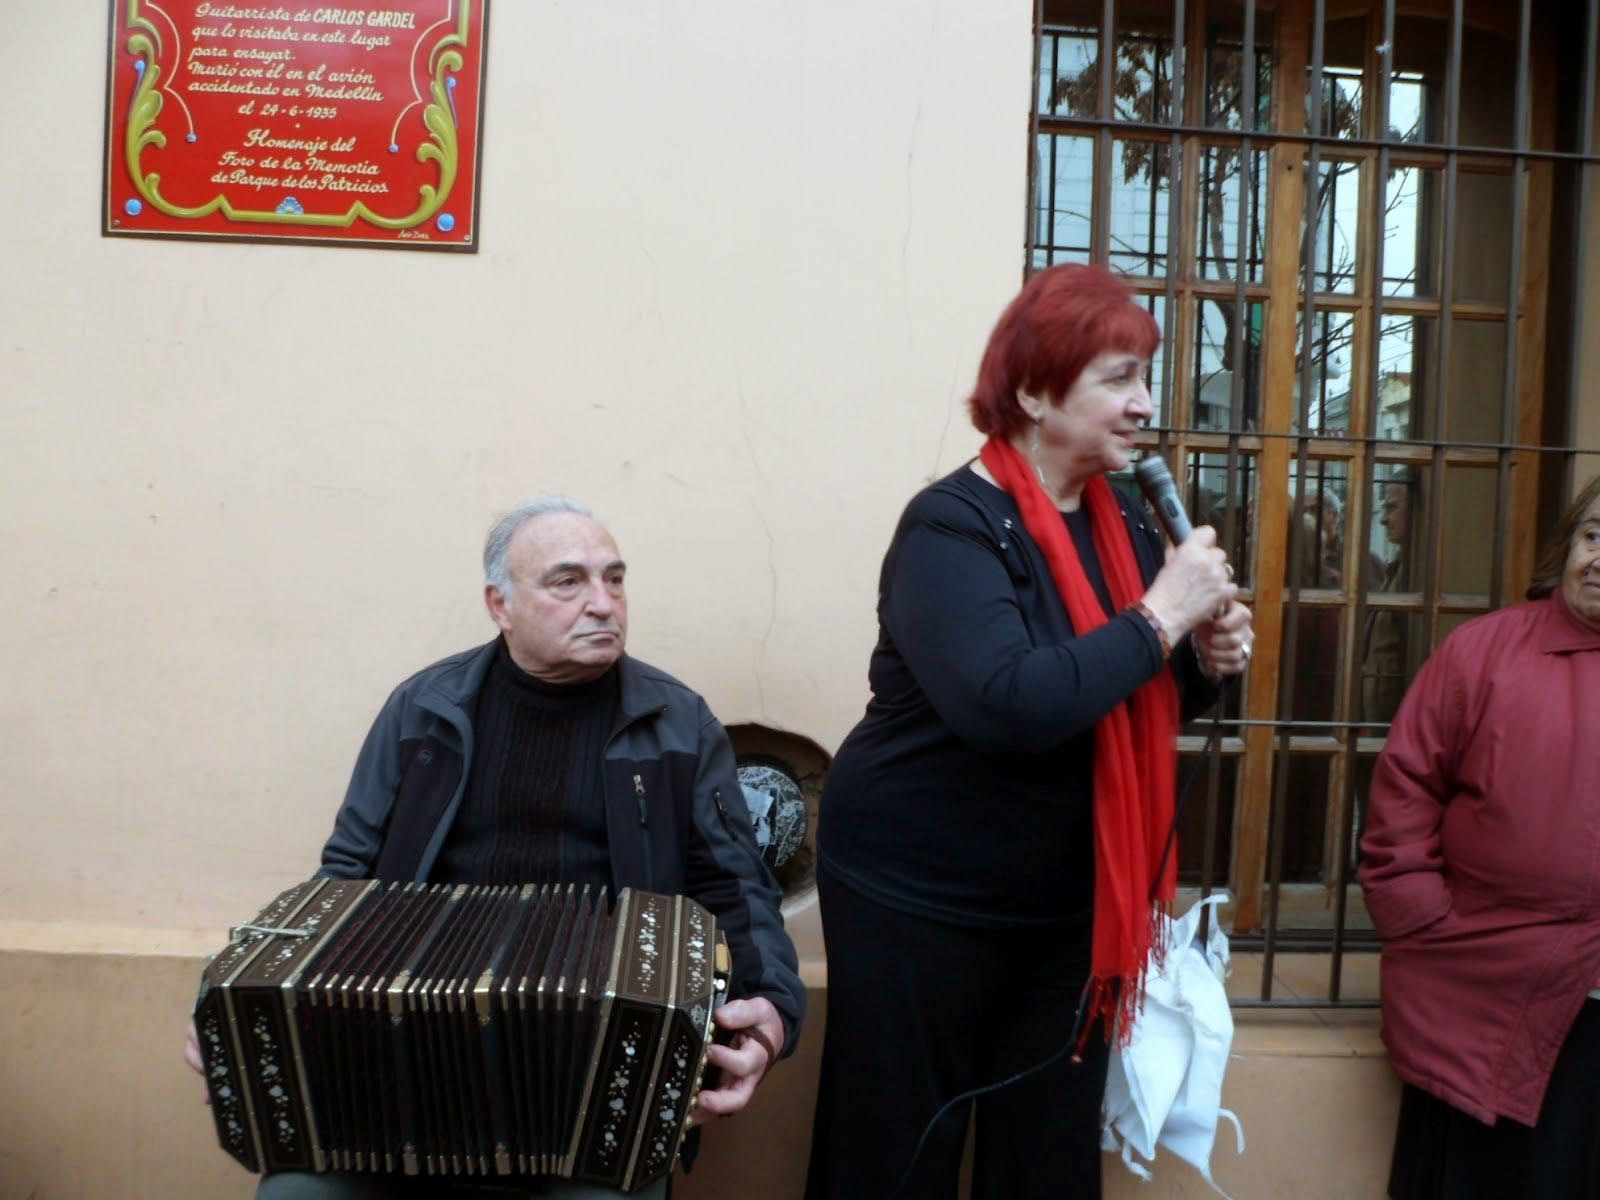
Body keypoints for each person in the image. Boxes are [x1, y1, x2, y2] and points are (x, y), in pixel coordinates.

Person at [186, 496, 804, 1200]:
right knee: (297, 1195)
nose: (603, 603)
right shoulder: (423, 711)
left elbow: (736, 891)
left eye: (615, 579)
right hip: (393, 1077)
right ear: (500, 605)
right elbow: (342, 886)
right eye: (567, 582)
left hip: (598, 1089)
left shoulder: (678, 723)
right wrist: (239, 1013)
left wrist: (774, 1014)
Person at [804, 264, 1254, 1199]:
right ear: (1033, 393)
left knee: (1045, 1159)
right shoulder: (952, 527)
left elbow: (1127, 692)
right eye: (1118, 379)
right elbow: (1005, 704)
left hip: (1063, 907)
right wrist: (1161, 620)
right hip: (915, 896)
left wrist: (1201, 665)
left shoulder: (1125, 518)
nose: (1144, 406)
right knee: (897, 1151)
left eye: (1145, 379)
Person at [1359, 474, 1600, 1199]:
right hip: (1478, 982)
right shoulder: (1483, 652)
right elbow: (1404, 795)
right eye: (1595, 536)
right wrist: (1424, 926)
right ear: (1567, 546)